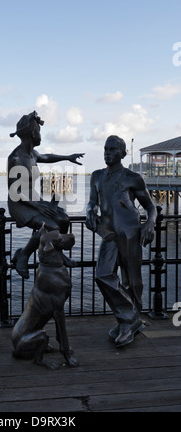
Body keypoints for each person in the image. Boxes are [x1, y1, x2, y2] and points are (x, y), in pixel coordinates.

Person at [86, 135, 156, 347]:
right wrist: (90, 210)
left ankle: (128, 323)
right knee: (103, 274)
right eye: (106, 149)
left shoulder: (133, 178)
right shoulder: (96, 176)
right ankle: (130, 319)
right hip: (108, 232)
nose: (108, 153)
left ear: (123, 153)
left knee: (132, 280)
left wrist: (150, 223)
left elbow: (150, 207)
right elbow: (91, 202)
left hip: (130, 231)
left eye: (113, 149)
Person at [7, 110, 84, 278]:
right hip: (20, 204)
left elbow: (46, 157)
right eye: (38, 131)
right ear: (31, 133)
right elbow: (14, 191)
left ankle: (57, 252)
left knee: (64, 219)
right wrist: (38, 207)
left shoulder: (32, 154)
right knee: (52, 226)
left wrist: (67, 157)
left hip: (34, 200)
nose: (40, 134)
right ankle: (24, 255)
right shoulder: (16, 159)